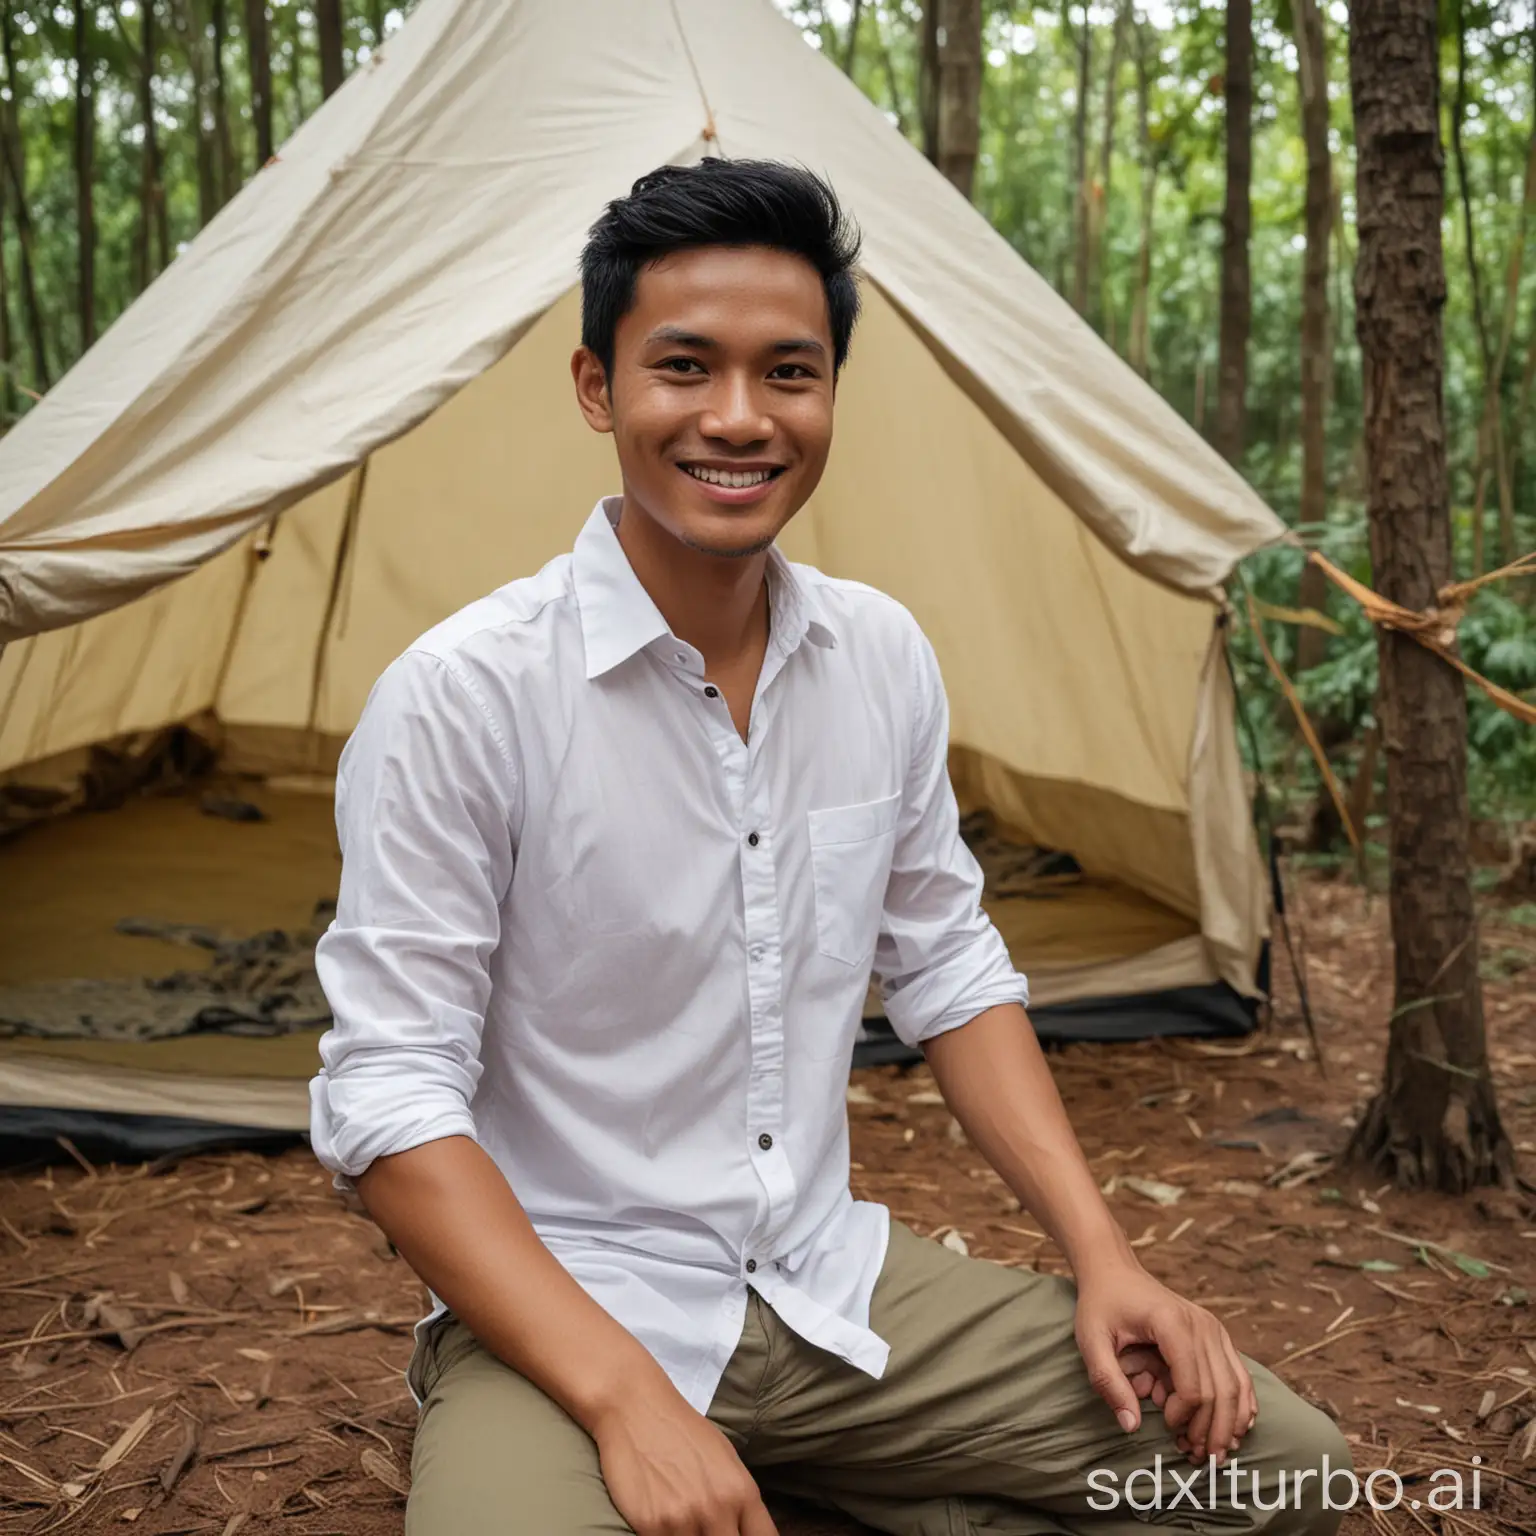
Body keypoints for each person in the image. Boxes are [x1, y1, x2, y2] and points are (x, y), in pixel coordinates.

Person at [309, 159, 1351, 1536]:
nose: (739, 417)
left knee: (1283, 1467)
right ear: (596, 388)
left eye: (788, 373)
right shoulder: (464, 697)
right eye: (685, 366)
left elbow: (949, 969)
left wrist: (1106, 1258)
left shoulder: (880, 660)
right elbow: (389, 1101)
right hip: (567, 1319)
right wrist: (630, 1404)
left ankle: (841, 1473)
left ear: (830, 396)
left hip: (827, 1288)